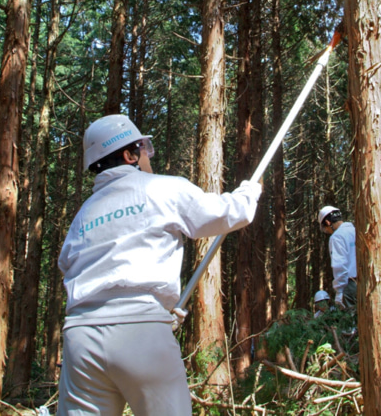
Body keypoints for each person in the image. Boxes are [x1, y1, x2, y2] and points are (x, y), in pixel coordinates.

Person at [57, 115, 262, 416]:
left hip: (80, 339)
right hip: (140, 333)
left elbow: (68, 264)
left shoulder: (84, 215)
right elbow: (226, 213)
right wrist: (249, 193)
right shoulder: (162, 188)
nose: (148, 156)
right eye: (143, 149)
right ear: (129, 155)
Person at [318, 206, 357, 310]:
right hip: (365, 282)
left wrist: (340, 291)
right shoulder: (356, 230)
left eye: (326, 229)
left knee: (351, 322)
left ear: (327, 222)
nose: (328, 232)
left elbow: (339, 265)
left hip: (350, 285)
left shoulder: (336, 237)